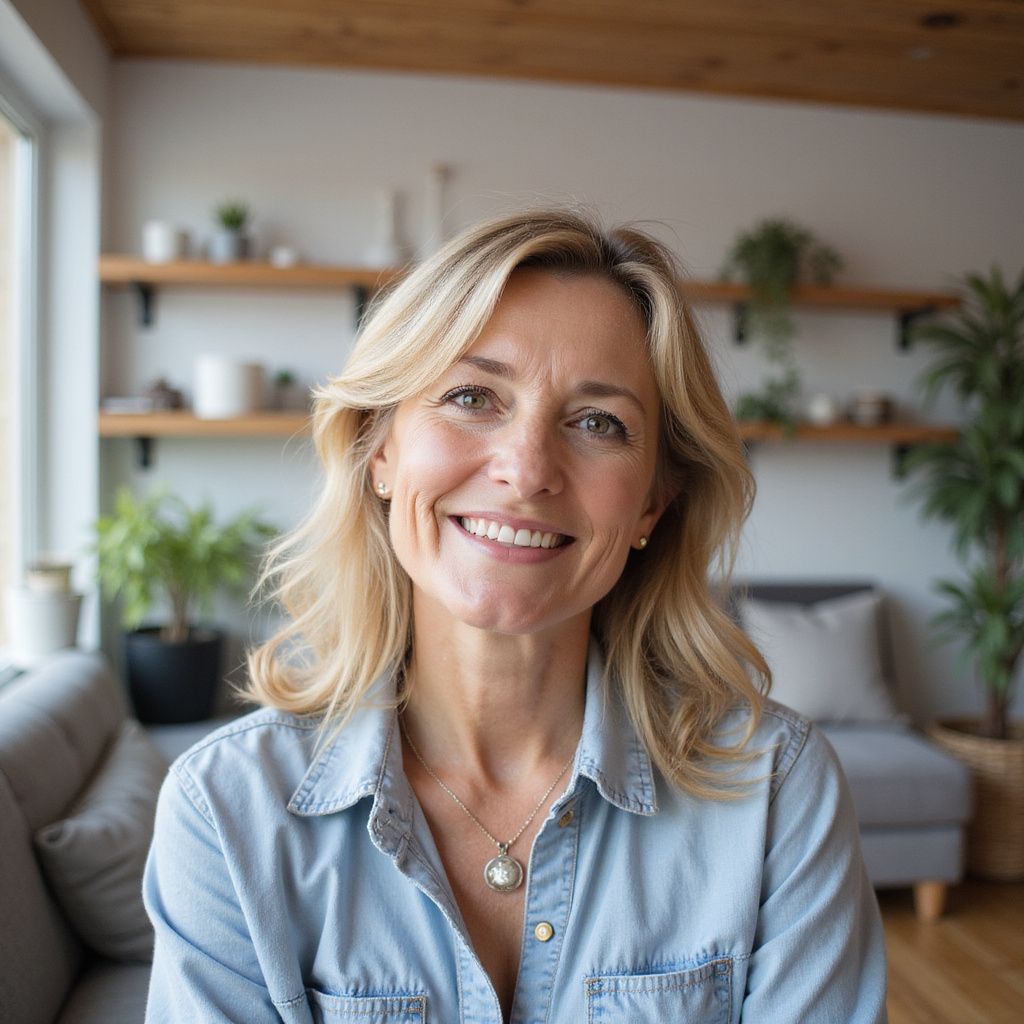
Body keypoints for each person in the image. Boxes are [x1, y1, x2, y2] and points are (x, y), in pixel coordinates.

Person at [143, 208, 888, 1023]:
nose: (528, 470)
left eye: (598, 422)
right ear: (381, 450)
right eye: (471, 396)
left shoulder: (777, 792)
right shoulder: (225, 810)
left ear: (652, 504)